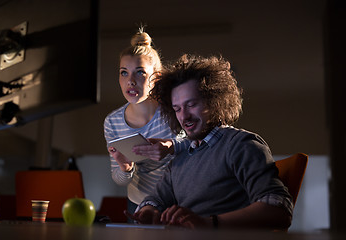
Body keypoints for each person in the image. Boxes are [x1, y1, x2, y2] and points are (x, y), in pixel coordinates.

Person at [127, 54, 293, 230]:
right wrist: (149, 211)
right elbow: (155, 200)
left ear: (214, 102)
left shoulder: (241, 145)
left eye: (191, 105)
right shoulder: (180, 160)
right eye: (177, 109)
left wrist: (208, 223)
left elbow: (279, 210)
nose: (184, 116)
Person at [103, 29, 188, 219]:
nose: (130, 81)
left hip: (179, 200)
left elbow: (198, 148)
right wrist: (125, 168)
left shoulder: (173, 110)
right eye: (123, 73)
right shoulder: (112, 122)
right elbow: (119, 179)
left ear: (156, 77)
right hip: (139, 203)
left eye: (140, 73)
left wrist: (171, 147)